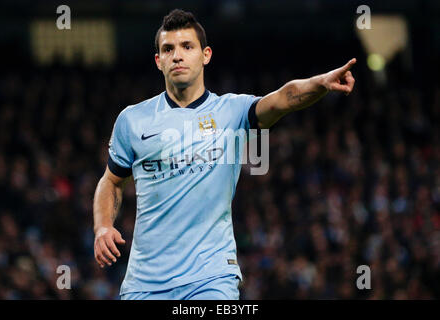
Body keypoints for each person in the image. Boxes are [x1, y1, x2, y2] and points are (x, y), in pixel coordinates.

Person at [92, 8, 356, 300]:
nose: (177, 55)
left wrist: (320, 83)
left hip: (211, 278)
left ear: (205, 55)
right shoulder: (133, 120)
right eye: (168, 49)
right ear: (159, 61)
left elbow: (285, 97)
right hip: (144, 284)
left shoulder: (232, 111)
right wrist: (103, 226)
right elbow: (111, 181)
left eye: (187, 46)